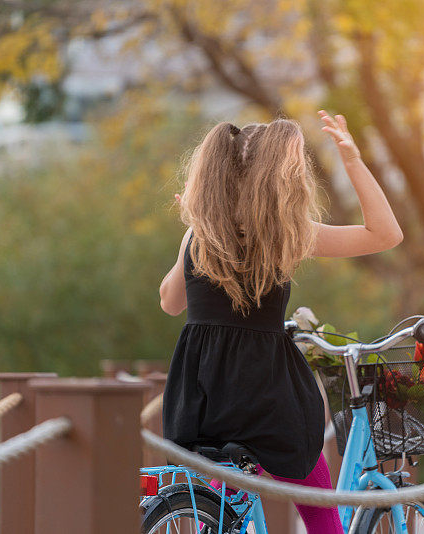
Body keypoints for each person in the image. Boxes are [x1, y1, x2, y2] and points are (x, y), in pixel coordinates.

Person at [159, 110, 403, 533]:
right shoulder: (285, 233)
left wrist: (193, 228)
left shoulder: (198, 235)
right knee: (319, 507)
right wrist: (352, 160)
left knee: (220, 498)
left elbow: (169, 303)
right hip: (266, 394)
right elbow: (385, 235)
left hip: (199, 397)